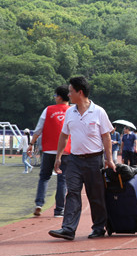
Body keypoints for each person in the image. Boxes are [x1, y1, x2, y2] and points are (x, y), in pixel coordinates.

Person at [49, 76, 115, 240]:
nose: (68, 95)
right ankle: (68, 229)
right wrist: (58, 157)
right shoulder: (70, 112)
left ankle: (99, 228)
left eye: (71, 91)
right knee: (72, 193)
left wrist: (109, 159)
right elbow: (64, 135)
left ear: (80, 92)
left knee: (96, 195)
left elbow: (106, 137)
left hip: (94, 160)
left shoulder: (98, 111)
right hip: (74, 160)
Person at [28, 85, 71, 218]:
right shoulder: (72, 111)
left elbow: (38, 129)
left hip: (48, 150)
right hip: (66, 151)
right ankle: (59, 210)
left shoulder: (48, 110)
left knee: (44, 177)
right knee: (62, 180)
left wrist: (31, 144)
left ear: (59, 97)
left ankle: (39, 203)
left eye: (55, 96)